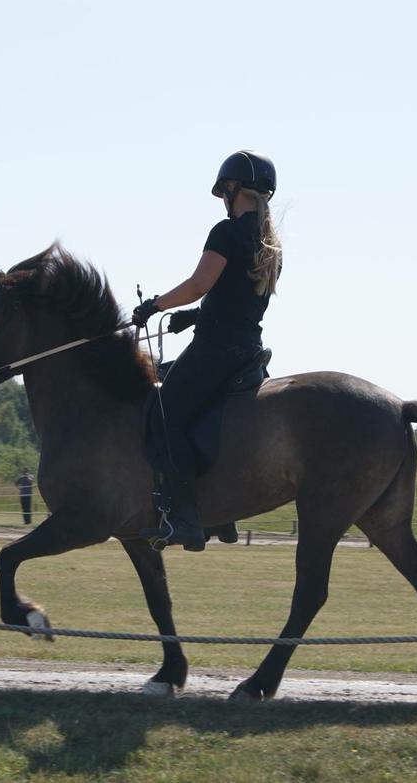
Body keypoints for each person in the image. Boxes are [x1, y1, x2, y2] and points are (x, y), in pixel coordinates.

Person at [132, 150, 282, 551]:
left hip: (216, 350)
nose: (222, 201)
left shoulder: (225, 232)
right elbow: (239, 300)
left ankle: (185, 518)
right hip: (248, 350)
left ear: (234, 190)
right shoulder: (270, 243)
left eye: (224, 193)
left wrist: (157, 305)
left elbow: (200, 283)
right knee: (205, 416)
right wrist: (196, 317)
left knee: (162, 415)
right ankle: (225, 515)